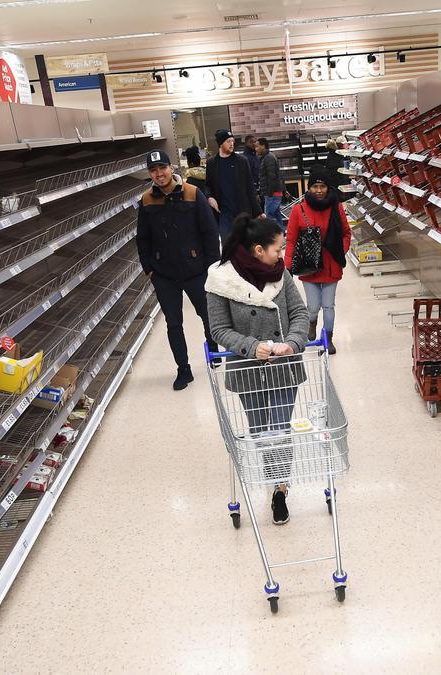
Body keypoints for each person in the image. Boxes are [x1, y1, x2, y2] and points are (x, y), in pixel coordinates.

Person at [206, 214, 310, 525]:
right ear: (257, 250)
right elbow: (219, 330)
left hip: (284, 368)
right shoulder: (221, 281)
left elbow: (300, 313)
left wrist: (291, 343)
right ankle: (272, 474)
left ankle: (279, 489)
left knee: (278, 429)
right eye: (277, 249)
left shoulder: (281, 275)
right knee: (258, 430)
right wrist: (251, 347)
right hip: (247, 370)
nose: (282, 254)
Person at [136, 149, 220, 391]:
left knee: (207, 315)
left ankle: (213, 351)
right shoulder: (146, 200)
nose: (159, 174)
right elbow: (143, 238)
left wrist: (212, 267)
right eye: (153, 170)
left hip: (196, 270)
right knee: (174, 323)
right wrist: (149, 269)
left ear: (171, 168)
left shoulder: (193, 193)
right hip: (164, 275)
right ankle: (183, 368)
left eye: (162, 168)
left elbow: (209, 232)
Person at [284, 166, 351, 356]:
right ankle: (312, 322)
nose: (319, 190)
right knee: (313, 306)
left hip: (332, 265)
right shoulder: (299, 210)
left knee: (328, 305)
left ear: (328, 187)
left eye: (322, 186)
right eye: (315, 186)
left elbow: (346, 232)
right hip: (309, 266)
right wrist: (287, 265)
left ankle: (328, 338)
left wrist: (341, 250)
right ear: (309, 187)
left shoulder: (336, 207)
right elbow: (291, 239)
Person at [205, 129, 261, 240]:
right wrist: (209, 197)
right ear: (220, 144)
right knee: (227, 246)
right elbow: (207, 184)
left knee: (246, 246)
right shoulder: (212, 163)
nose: (231, 144)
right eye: (228, 141)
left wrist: (258, 211)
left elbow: (250, 187)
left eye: (232, 141)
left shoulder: (242, 161)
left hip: (242, 212)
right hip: (223, 214)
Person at [256, 138, 286, 231]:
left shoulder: (268, 158)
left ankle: (272, 236)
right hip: (273, 192)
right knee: (276, 215)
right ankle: (281, 233)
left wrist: (269, 193)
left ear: (263, 146)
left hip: (272, 193)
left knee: (269, 216)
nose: (256, 149)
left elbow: (271, 177)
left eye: (257, 146)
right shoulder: (267, 157)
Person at [241, 134, 261, 203]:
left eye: (255, 141)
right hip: (251, 193)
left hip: (259, 190)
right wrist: (255, 193)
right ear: (246, 143)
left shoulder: (255, 156)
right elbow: (248, 177)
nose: (254, 143)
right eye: (251, 142)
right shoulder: (245, 158)